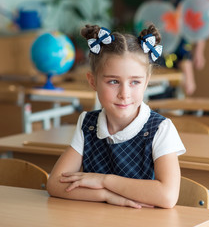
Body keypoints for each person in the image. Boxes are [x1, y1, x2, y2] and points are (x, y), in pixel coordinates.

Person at [47, 24, 186, 209]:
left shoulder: (160, 129)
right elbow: (55, 183)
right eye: (113, 81)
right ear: (92, 81)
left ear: (146, 83)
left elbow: (167, 196)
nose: (124, 93)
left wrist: (104, 181)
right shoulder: (87, 124)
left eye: (135, 82)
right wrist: (106, 195)